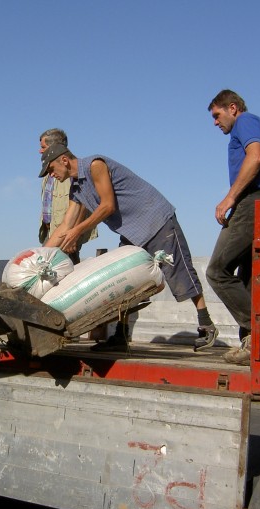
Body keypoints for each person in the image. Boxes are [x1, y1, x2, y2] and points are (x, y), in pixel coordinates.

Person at [39, 143, 218, 352]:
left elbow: (107, 206)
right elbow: (65, 226)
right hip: (132, 231)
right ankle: (121, 335)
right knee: (124, 278)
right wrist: (39, 258)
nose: (51, 176)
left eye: (51, 169)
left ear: (64, 160)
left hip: (156, 220)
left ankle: (207, 325)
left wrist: (78, 231)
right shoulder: (76, 189)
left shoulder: (95, 165)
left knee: (179, 271)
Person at [206, 89, 260, 366]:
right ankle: (252, 344)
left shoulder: (246, 121)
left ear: (233, 108)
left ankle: (259, 333)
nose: (216, 123)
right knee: (248, 277)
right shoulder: (249, 123)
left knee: (216, 270)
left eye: (217, 115)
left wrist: (229, 198)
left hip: (253, 201)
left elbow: (256, 157)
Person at [38, 128, 96, 264]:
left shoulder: (71, 172)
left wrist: (74, 236)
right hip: (52, 232)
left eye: (43, 147)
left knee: (62, 269)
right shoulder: (49, 174)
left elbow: (82, 206)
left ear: (55, 147)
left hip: (67, 234)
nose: (40, 151)